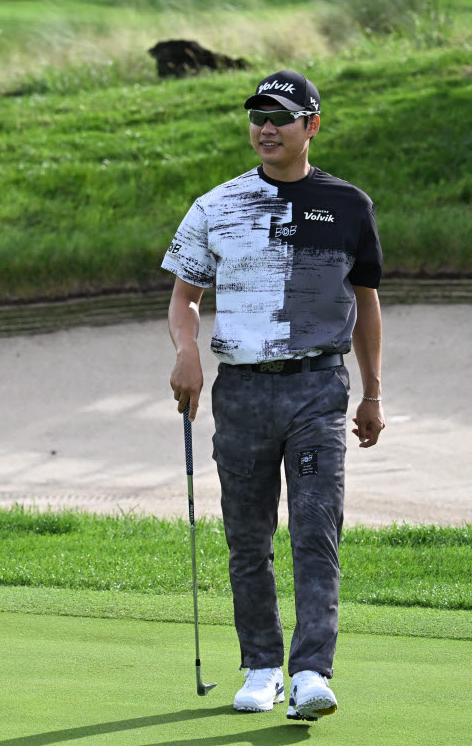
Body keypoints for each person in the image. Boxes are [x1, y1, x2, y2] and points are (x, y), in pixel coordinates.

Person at [163, 70, 384, 721]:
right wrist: (185, 352)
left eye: (281, 117)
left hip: (319, 388)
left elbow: (367, 306)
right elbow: (184, 297)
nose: (265, 128)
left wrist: (373, 394)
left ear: (311, 126)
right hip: (243, 393)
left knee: (316, 531)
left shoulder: (349, 205)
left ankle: (312, 670)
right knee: (248, 538)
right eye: (257, 116)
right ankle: (263, 666)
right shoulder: (216, 205)